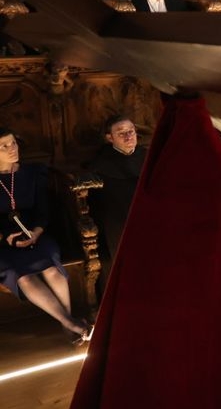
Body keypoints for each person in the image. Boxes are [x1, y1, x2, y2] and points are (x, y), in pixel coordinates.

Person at [0, 128, 91, 344]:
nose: (12, 149)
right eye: (4, 146)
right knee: (23, 275)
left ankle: (68, 324)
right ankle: (70, 324)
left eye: (13, 143)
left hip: (36, 233)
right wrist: (5, 237)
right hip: (3, 243)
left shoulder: (34, 172)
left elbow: (43, 210)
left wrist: (36, 232)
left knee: (50, 266)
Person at [86, 114, 146, 299]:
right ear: (109, 138)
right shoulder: (101, 164)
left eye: (131, 131)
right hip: (119, 218)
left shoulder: (148, 155)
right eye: (121, 133)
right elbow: (98, 204)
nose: (128, 136)